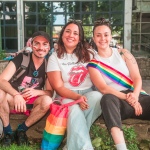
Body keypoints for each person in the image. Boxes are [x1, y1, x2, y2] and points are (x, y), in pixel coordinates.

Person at [87, 18, 150, 150]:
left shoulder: (123, 53)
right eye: (98, 35)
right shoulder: (93, 64)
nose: (102, 38)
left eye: (106, 35)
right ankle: (121, 147)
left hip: (136, 95)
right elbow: (104, 88)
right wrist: (130, 100)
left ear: (111, 36)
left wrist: (135, 96)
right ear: (93, 38)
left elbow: (137, 77)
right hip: (117, 102)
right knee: (107, 99)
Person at [46, 20, 102, 150]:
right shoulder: (54, 57)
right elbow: (58, 87)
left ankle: (72, 143)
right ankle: (85, 147)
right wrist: (77, 98)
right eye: (68, 31)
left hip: (87, 93)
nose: (71, 35)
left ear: (80, 38)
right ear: (62, 35)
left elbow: (103, 71)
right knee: (75, 110)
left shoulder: (90, 54)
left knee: (98, 96)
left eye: (75, 33)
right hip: (65, 95)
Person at [0, 31, 53, 146]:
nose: (40, 47)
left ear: (49, 47)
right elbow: (1, 80)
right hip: (13, 100)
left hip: (31, 103)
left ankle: (21, 130)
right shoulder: (22, 58)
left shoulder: (49, 64)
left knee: (48, 101)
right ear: (31, 45)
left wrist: (37, 91)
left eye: (45, 44)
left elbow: (49, 92)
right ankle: (8, 131)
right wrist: (16, 95)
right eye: (37, 43)